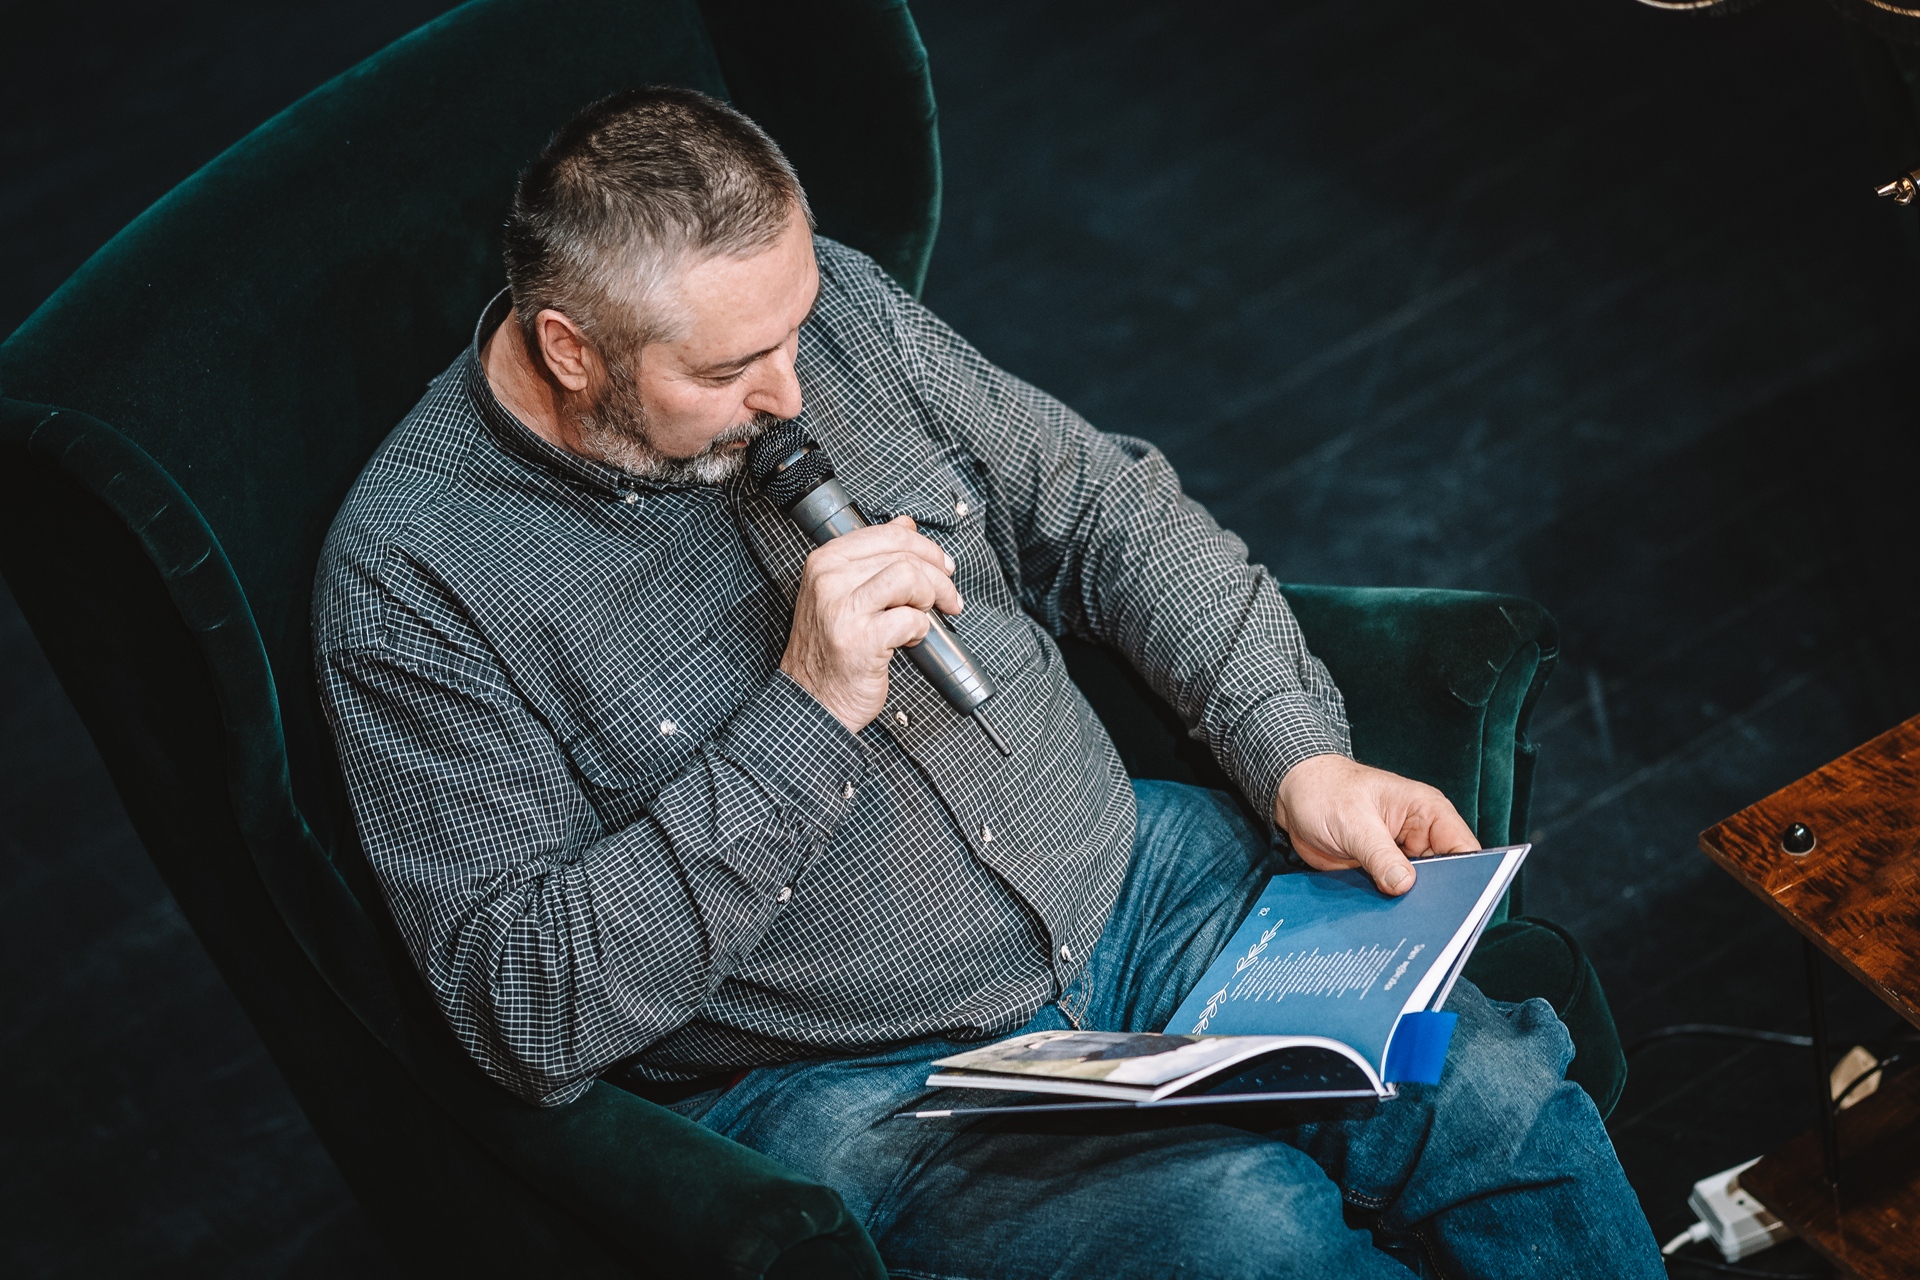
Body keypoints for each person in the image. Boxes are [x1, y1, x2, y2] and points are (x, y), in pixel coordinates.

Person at [314, 86, 1662, 1278]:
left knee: (1495, 1099)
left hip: (1144, 890)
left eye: (797, 328)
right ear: (570, 350)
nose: (792, 393)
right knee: (1250, 1238)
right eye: (729, 370)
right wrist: (805, 711)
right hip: (870, 1074)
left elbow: (1107, 516)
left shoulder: (834, 316)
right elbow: (526, 1007)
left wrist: (1296, 753)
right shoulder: (413, 581)